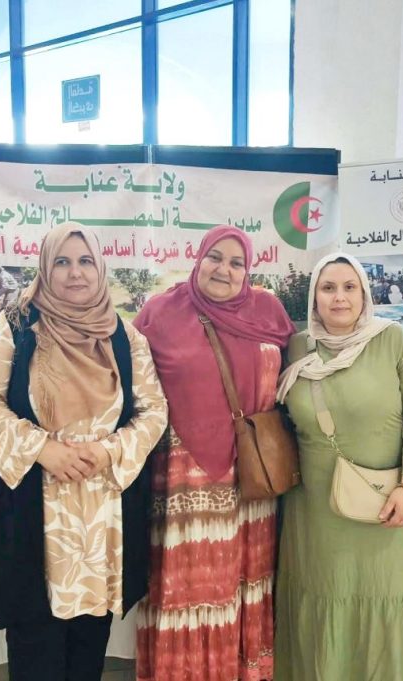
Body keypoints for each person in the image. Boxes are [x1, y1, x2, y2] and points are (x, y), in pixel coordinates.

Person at [0, 225, 168, 681]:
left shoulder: (125, 338)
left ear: (100, 268)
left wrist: (108, 450)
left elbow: (154, 411)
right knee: (34, 646)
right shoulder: (17, 327)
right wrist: (42, 448)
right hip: (35, 512)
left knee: (87, 649)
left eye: (85, 261)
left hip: (101, 521)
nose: (75, 273)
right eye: (62, 262)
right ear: (45, 268)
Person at [274, 253, 403, 681]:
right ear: (314, 297)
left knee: (392, 594)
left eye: (349, 287)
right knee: (327, 592)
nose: (339, 298)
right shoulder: (299, 348)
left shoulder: (394, 340)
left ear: (364, 294)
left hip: (393, 506)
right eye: (328, 288)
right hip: (317, 509)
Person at [133, 226, 294, 681]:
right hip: (183, 482)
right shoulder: (160, 312)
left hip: (254, 476)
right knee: (190, 589)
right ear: (198, 259)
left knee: (247, 580)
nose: (224, 269)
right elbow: (129, 384)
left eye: (236, 262)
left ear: (248, 270)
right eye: (215, 258)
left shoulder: (267, 311)